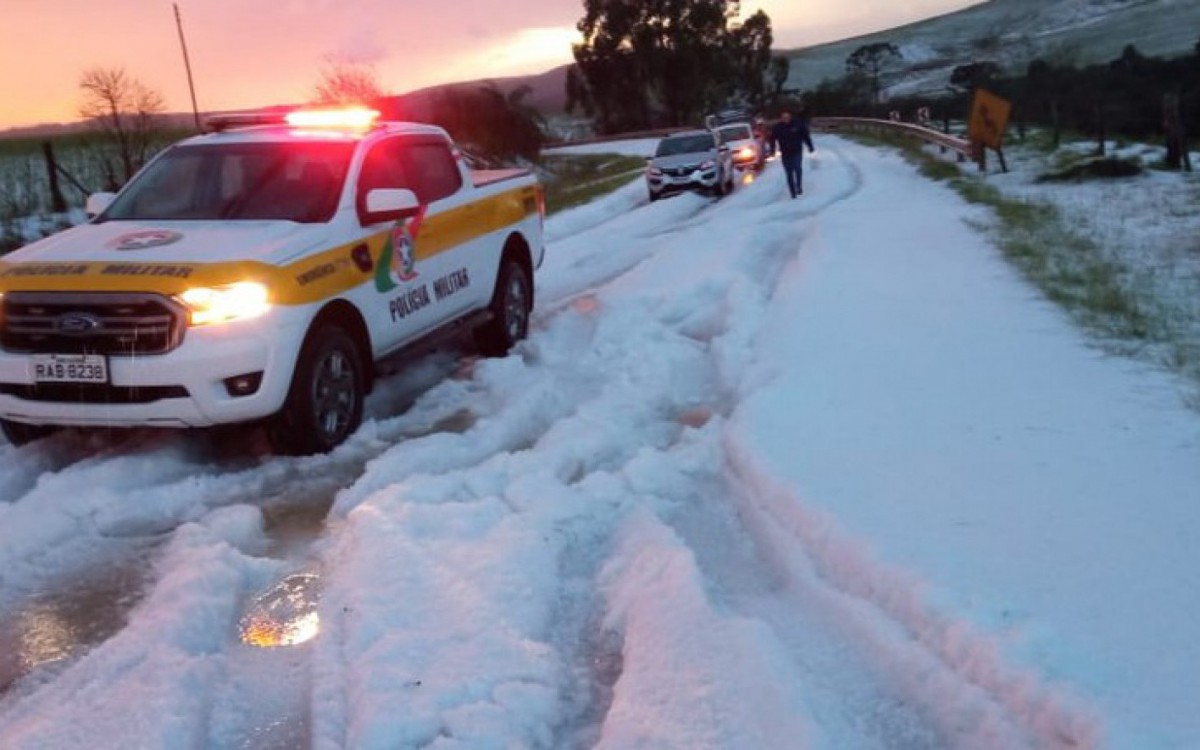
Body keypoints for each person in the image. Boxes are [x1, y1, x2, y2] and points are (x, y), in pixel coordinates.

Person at [770, 109, 815, 199]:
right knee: (789, 173)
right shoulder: (777, 128)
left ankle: (798, 186)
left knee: (797, 168)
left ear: (790, 117)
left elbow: (805, 136)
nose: (785, 119)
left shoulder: (797, 125)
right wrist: (773, 150)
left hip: (796, 151)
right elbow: (772, 139)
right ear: (781, 118)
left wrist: (810, 146)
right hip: (785, 153)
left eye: (787, 117)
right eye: (783, 117)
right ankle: (793, 192)